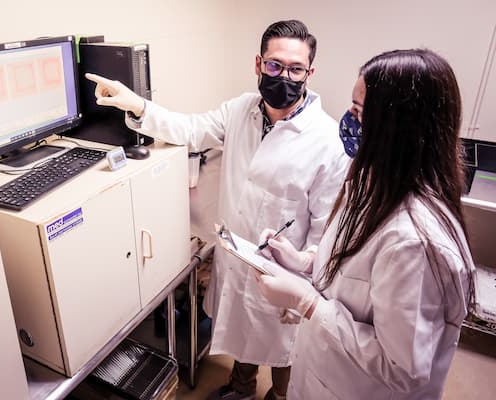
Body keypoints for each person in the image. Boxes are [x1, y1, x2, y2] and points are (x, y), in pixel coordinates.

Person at [85, 20, 348, 400]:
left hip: (290, 275)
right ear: (258, 64)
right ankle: (240, 392)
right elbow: (190, 129)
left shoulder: (326, 140)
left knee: (285, 356)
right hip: (239, 259)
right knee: (244, 334)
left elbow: (326, 227)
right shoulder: (241, 110)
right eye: (275, 66)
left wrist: (309, 288)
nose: (284, 77)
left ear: (310, 72)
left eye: (295, 69)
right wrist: (139, 105)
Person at [256, 48, 476, 399]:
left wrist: (307, 302)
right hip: (322, 375)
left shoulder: (415, 242)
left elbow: (404, 369)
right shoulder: (371, 183)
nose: (347, 120)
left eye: (359, 112)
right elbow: (358, 272)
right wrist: (305, 262)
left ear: (397, 129)